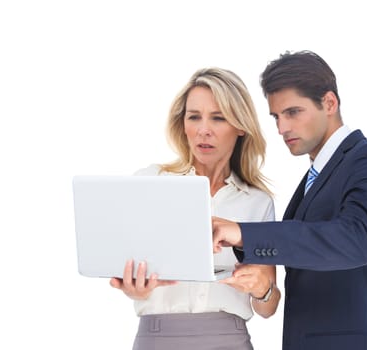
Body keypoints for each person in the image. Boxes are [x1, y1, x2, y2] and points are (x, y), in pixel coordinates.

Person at [212, 51, 367, 350]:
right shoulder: (313, 179)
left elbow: (357, 240)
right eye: (276, 117)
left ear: (329, 103)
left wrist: (243, 233)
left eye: (292, 112)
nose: (281, 128)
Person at [109, 67, 281, 350]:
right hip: (157, 338)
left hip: (231, 340)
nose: (203, 130)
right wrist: (133, 287)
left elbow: (268, 306)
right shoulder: (150, 182)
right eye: (194, 117)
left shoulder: (257, 202)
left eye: (218, 117)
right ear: (182, 123)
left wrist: (262, 289)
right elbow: (124, 267)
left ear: (240, 126)